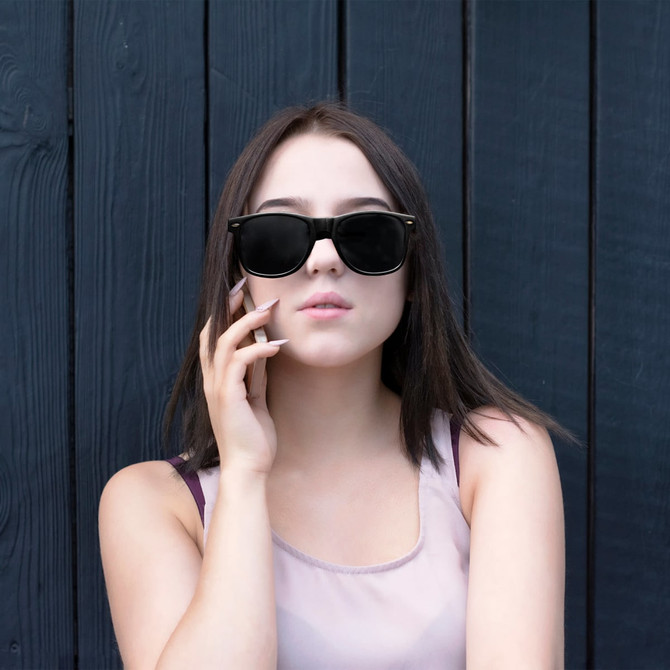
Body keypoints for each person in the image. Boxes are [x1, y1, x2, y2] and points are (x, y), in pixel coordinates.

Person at [99, 102, 566, 669]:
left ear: (413, 274)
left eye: (367, 234)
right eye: (278, 235)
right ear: (236, 273)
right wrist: (245, 477)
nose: (323, 260)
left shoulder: (496, 457)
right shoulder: (154, 504)